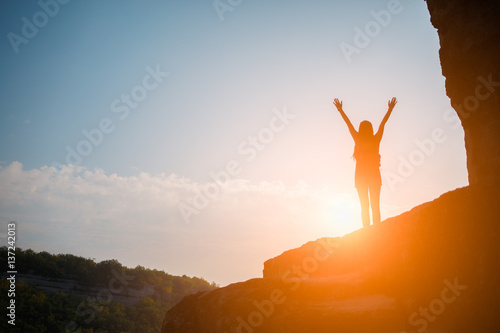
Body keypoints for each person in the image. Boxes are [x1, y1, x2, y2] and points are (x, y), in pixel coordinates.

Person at [333, 97, 397, 228]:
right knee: (375, 205)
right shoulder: (376, 140)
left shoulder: (358, 140)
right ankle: (377, 230)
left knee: (364, 206)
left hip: (361, 177)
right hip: (373, 175)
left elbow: (348, 124)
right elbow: (383, 124)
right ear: (371, 129)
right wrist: (390, 109)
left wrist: (340, 109)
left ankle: (367, 232)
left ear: (360, 129)